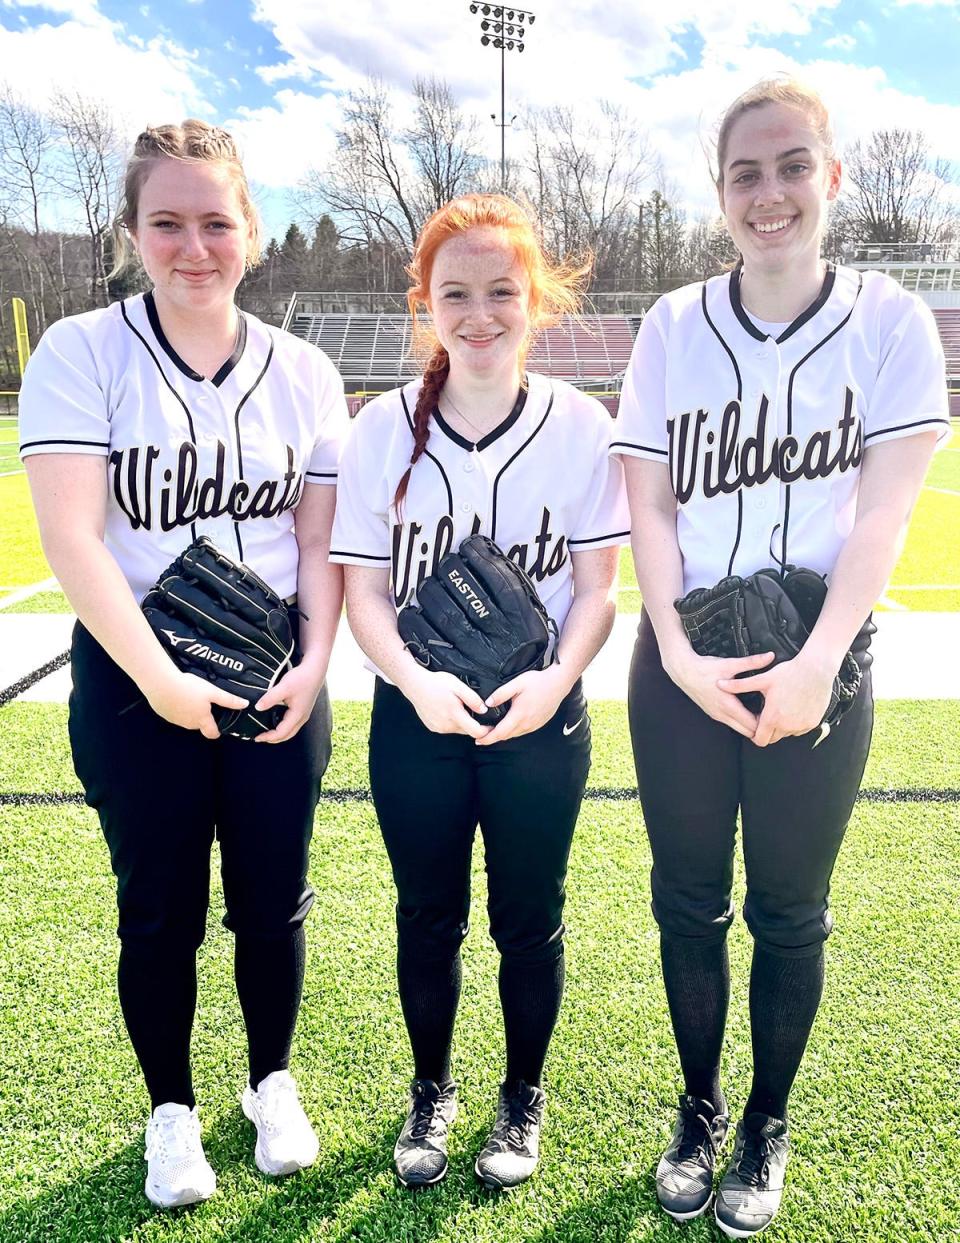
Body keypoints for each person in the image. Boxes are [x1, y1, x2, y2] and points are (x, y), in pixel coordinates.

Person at [612, 78, 950, 1237]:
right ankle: (700, 1107)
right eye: (747, 173)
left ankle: (767, 1117)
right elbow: (648, 506)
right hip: (685, 660)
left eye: (792, 166)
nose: (770, 194)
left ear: (832, 177)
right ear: (720, 193)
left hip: (823, 660)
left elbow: (882, 517)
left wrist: (817, 661)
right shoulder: (669, 323)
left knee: (791, 912)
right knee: (687, 903)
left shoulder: (893, 319)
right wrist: (669, 644)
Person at [18, 121, 349, 1208]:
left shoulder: (303, 368)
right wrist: (160, 680)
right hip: (133, 678)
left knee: (273, 902)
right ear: (133, 230)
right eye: (168, 222)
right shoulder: (82, 349)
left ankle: (269, 1082)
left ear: (250, 231)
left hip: (275, 676)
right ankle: (171, 1110)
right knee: (157, 907)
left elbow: (314, 537)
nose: (193, 246)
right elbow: (74, 536)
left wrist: (313, 664)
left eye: (216, 222)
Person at [330, 193, 629, 1190]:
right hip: (417, 717)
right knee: (426, 915)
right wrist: (413, 682)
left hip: (541, 718)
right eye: (455, 291)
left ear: (536, 298)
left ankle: (521, 1096)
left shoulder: (584, 426)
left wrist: (556, 679)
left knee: (528, 920)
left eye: (502, 289)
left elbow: (597, 591)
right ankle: (431, 1089)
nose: (480, 311)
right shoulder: (379, 429)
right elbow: (363, 593)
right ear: (424, 301)